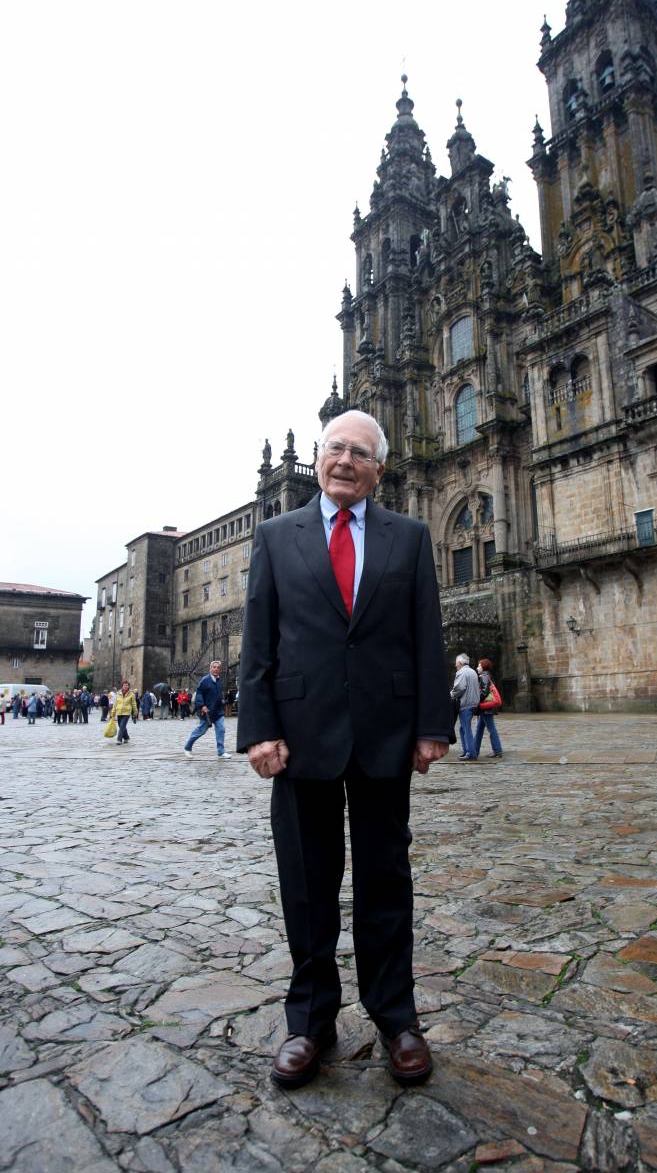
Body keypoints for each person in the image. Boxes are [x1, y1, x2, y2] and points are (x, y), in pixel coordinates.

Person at [237, 409, 453, 1091]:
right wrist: (258, 728)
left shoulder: (410, 537)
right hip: (299, 738)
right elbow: (259, 642)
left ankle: (396, 1018)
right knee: (306, 887)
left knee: (387, 882)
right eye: (336, 448)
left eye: (360, 453)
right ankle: (309, 1022)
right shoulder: (275, 537)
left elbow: (426, 634)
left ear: (377, 470)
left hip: (386, 734)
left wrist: (431, 724)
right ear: (321, 455)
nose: (344, 461)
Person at [183, 662, 229, 758]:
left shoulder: (218, 680)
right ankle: (187, 748)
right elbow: (199, 693)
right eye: (214, 667)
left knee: (221, 729)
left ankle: (221, 752)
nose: (216, 669)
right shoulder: (205, 680)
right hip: (207, 711)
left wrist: (222, 701)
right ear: (210, 668)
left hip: (218, 711)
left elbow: (218, 694)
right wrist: (202, 705)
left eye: (218, 667)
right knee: (200, 731)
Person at [451, 653, 480, 761]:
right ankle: (467, 751)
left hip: (465, 704)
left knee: (466, 728)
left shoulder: (462, 672)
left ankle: (470, 753)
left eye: (456, 663)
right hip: (473, 703)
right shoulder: (473, 671)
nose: (455, 665)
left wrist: (450, 695)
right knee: (463, 728)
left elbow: (459, 688)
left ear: (459, 663)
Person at [474, 657, 503, 759]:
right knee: (479, 729)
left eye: (479, 665)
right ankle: (474, 751)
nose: (477, 667)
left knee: (491, 729)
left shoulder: (484, 676)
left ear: (483, 667)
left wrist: (476, 701)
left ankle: (497, 750)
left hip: (486, 707)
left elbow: (484, 692)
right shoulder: (487, 676)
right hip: (486, 708)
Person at [110, 680, 137, 744]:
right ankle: (126, 737)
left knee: (122, 726)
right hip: (119, 712)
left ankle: (119, 740)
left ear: (128, 686)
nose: (125, 686)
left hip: (126, 712)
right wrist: (113, 712)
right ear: (122, 686)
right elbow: (115, 704)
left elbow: (134, 704)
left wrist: (135, 711)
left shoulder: (131, 694)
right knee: (121, 726)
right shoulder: (118, 694)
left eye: (127, 685)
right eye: (124, 685)